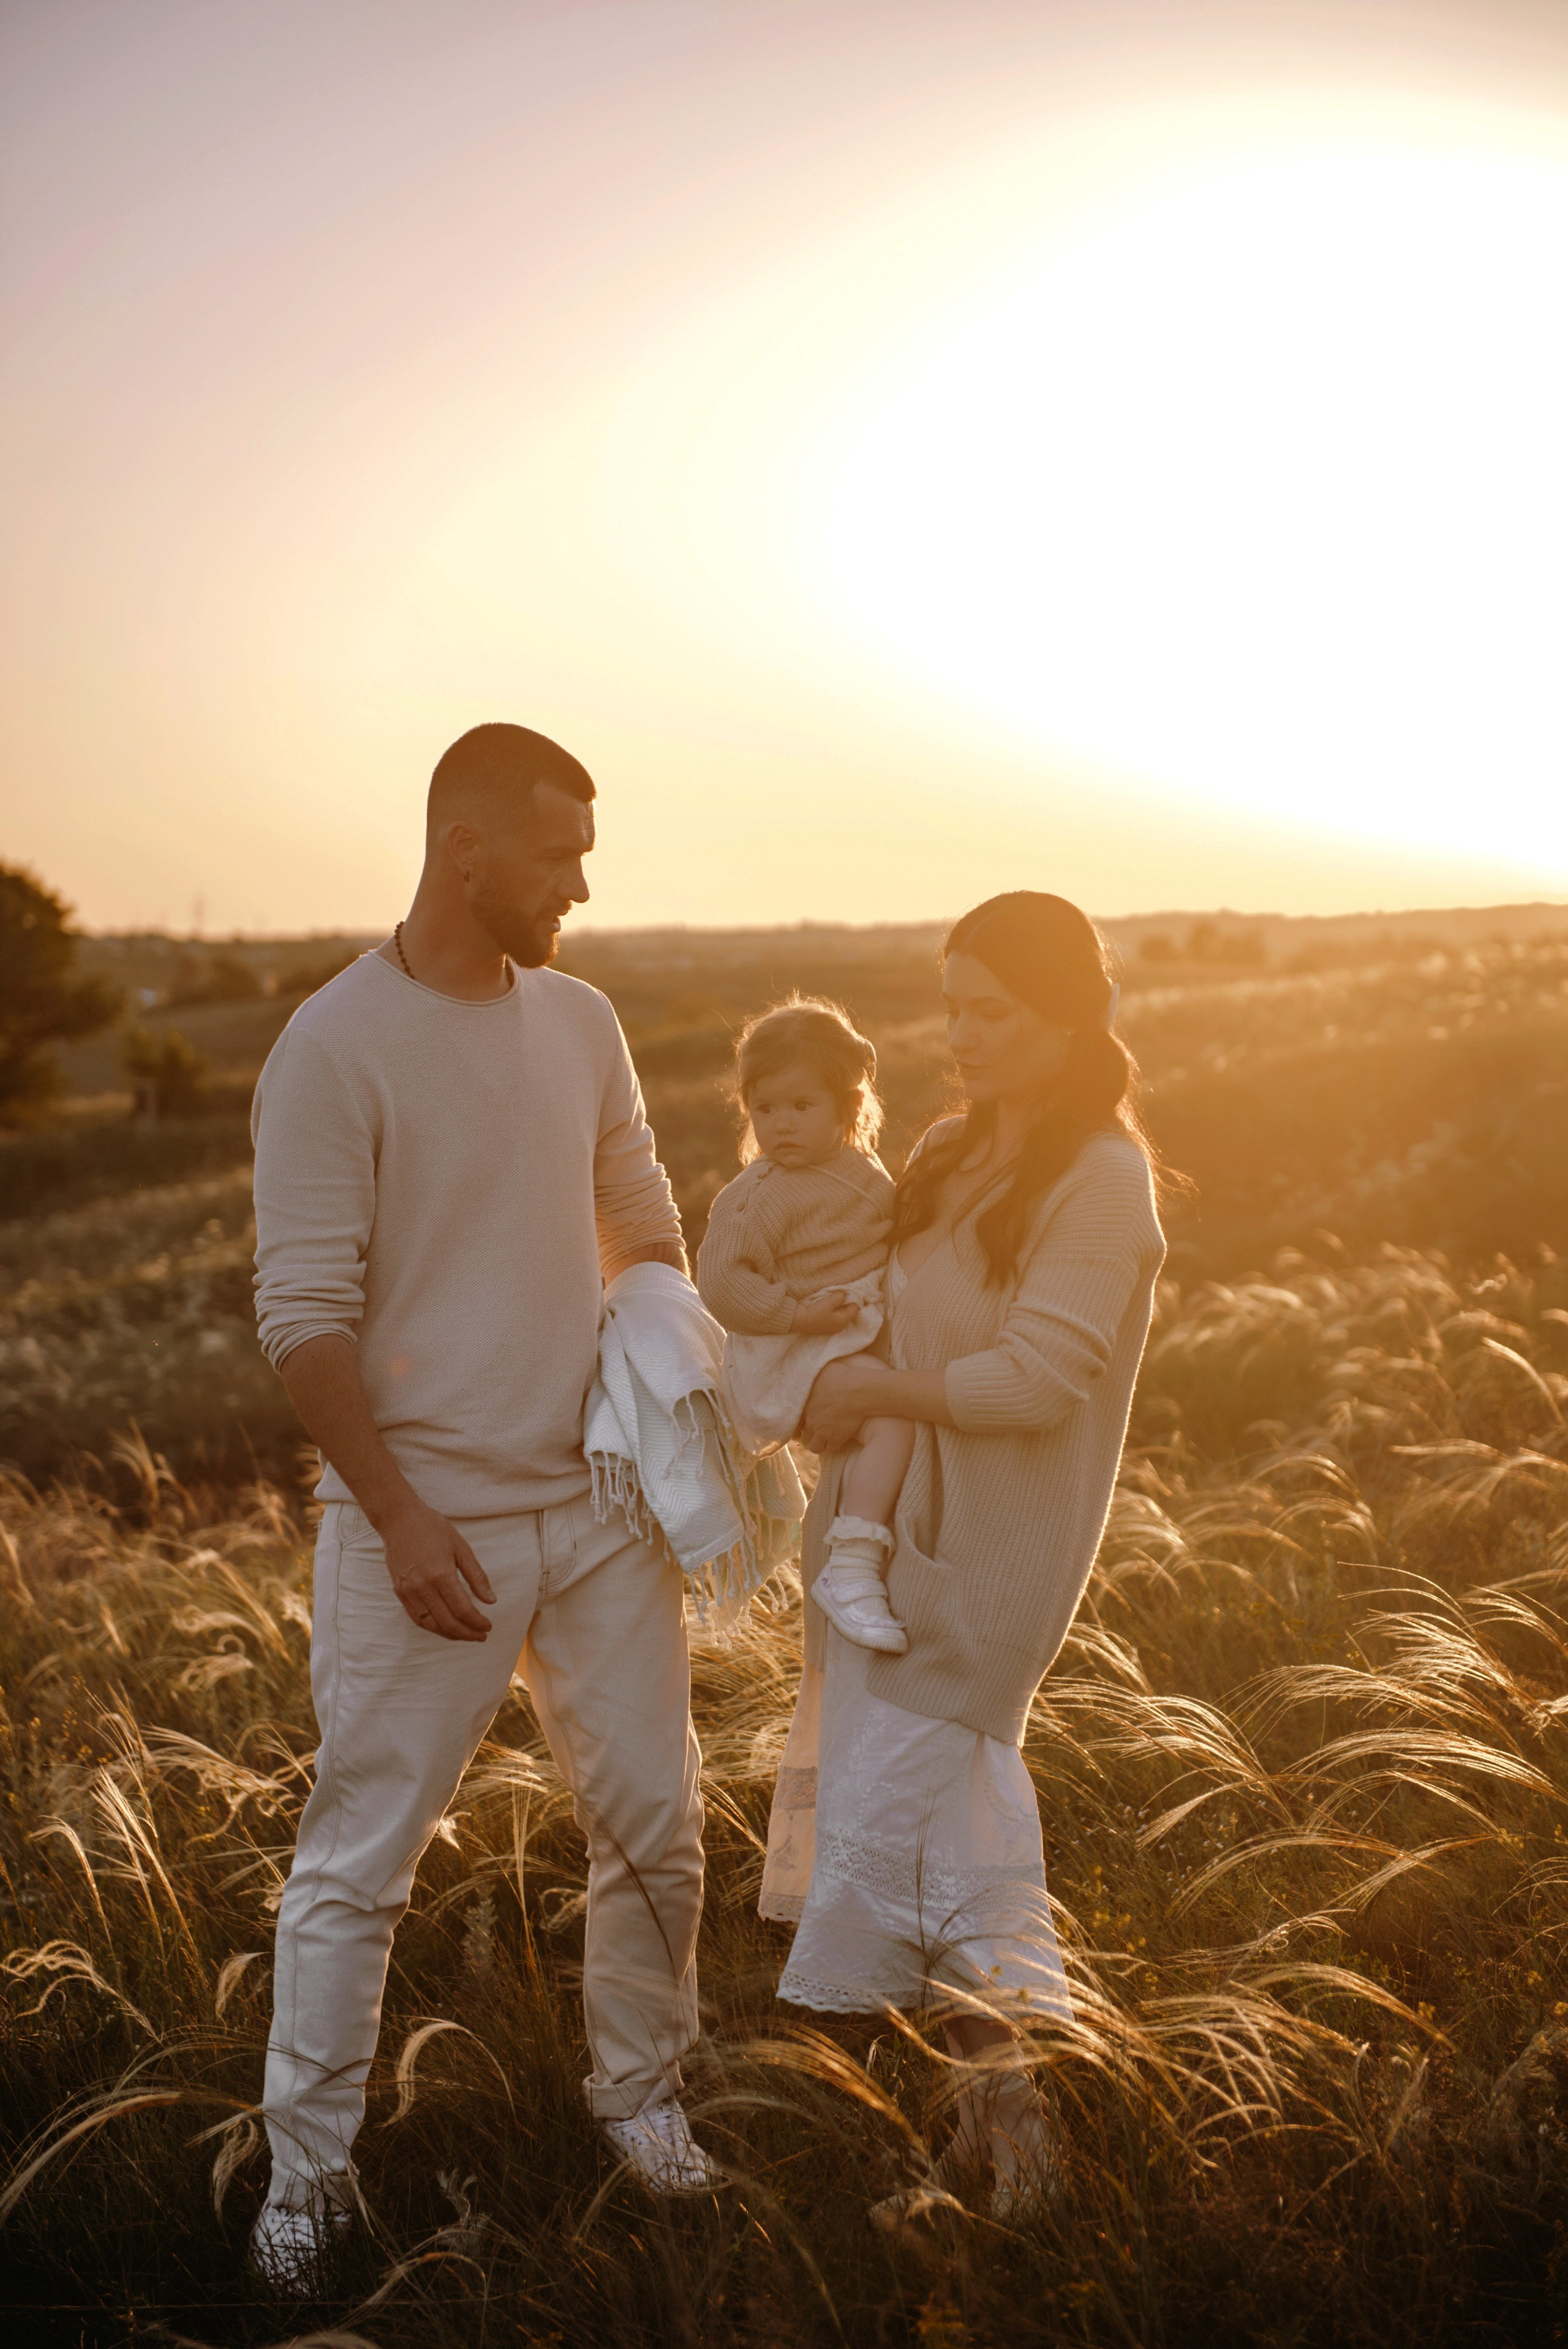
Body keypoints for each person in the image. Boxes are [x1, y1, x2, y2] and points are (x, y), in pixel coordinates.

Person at [248, 723, 715, 2290]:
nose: (583, 880)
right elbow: (304, 1313)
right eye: (561, 851)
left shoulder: (581, 1021)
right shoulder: (332, 1045)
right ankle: (305, 2181)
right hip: (420, 1524)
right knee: (359, 1856)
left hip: (598, 1508)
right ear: (466, 852)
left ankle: (641, 2101)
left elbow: (642, 1218)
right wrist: (393, 1512)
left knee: (655, 1818)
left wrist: (664, 1379)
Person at [758, 891, 1167, 2218]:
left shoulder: (1101, 1177)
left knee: (944, 1851)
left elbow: (1038, 1378)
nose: (957, 1034)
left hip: (982, 1576)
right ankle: (1001, 2149)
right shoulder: (944, 1152)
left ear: (1065, 1016)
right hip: (881, 1564)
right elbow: (878, 1312)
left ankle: (1016, 2154)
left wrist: (873, 1395)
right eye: (949, 1007)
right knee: (948, 1865)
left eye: (987, 1010)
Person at [695, 998, 911, 1652]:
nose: (780, 1125)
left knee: (902, 1414)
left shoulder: (860, 1169)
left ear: (849, 1105)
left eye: (800, 1106)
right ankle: (851, 1565)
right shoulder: (756, 1196)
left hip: (841, 1334)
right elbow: (721, 1283)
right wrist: (797, 1314)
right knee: (892, 1416)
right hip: (791, 1349)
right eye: (765, 1109)